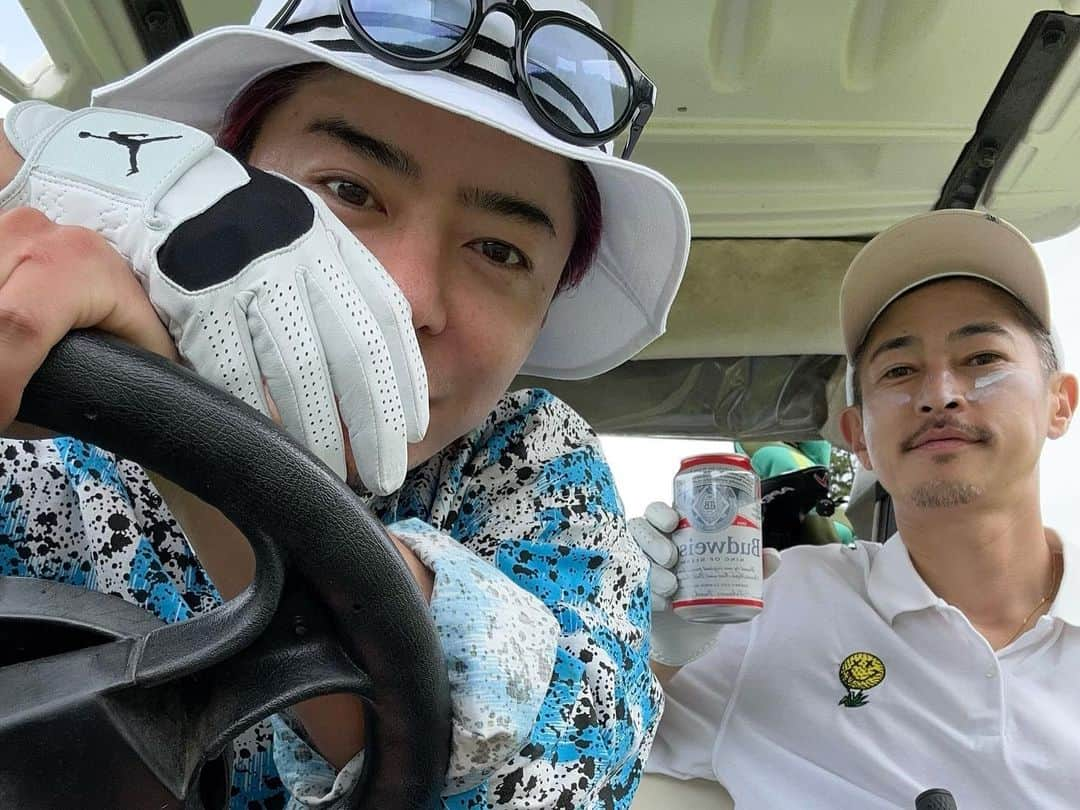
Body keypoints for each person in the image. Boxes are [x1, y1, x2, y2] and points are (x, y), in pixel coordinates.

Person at [0, 0, 691, 807]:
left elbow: (558, 769)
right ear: (216, 176)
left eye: (499, 251)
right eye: (347, 189)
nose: (402, 296)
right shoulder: (43, 425)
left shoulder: (532, 465)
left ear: (541, 320)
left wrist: (194, 420)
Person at [633, 209, 1080, 808]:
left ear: (1060, 403)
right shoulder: (770, 610)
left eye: (982, 359)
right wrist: (645, 645)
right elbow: (552, 756)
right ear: (857, 435)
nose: (940, 394)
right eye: (900, 370)